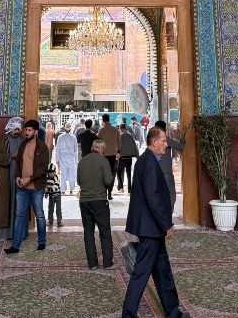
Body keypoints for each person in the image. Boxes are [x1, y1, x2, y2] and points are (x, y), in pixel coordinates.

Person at [121, 127, 187, 318]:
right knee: (141, 273)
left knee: (163, 271)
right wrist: (166, 223)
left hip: (151, 227)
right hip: (151, 228)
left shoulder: (146, 160)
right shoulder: (149, 162)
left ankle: (173, 311)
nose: (166, 145)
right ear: (154, 142)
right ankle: (128, 314)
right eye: (164, 141)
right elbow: (152, 197)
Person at [5, 119, 49, 254]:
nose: (27, 132)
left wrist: (29, 179)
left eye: (29, 130)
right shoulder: (23, 144)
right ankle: (15, 245)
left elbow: (43, 168)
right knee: (19, 215)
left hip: (36, 188)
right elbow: (18, 163)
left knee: (40, 215)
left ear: (35, 132)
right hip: (22, 188)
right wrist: (18, 177)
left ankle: (41, 242)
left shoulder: (42, 147)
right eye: (26, 130)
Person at [77, 139, 114, 269]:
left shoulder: (82, 161)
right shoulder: (103, 161)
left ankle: (92, 264)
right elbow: (108, 181)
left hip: (85, 201)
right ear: (101, 150)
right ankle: (108, 263)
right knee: (104, 231)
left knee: (88, 232)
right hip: (99, 201)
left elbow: (79, 181)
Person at [0, 116, 22, 241]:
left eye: (18, 129)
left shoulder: (22, 140)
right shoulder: (3, 140)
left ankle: (18, 233)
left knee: (18, 204)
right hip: (5, 176)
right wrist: (10, 156)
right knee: (5, 204)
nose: (17, 131)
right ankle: (4, 234)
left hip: (19, 176)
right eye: (15, 129)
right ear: (10, 128)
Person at [155, 119, 187, 210]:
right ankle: (167, 216)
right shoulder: (165, 140)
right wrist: (183, 134)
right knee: (171, 194)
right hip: (166, 172)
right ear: (164, 129)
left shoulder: (152, 140)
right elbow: (181, 146)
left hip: (156, 172)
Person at [97, 112, 120, 199]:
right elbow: (119, 143)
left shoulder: (101, 130)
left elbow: (98, 142)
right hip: (113, 155)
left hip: (104, 155)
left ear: (103, 120)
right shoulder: (115, 129)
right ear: (109, 120)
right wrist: (118, 151)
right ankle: (109, 193)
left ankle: (104, 193)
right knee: (111, 174)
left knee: (103, 174)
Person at [55, 121, 80, 194]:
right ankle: (71, 190)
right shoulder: (73, 137)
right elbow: (76, 150)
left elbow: (58, 149)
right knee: (72, 174)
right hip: (71, 158)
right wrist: (76, 160)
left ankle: (63, 190)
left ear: (65, 129)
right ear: (70, 129)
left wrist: (57, 159)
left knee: (63, 175)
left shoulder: (60, 137)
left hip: (63, 158)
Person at [117, 123, 139, 193]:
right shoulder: (130, 135)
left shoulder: (120, 136)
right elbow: (134, 146)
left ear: (121, 129)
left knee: (119, 172)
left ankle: (121, 188)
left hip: (122, 158)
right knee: (129, 173)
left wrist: (117, 152)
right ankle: (130, 190)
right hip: (129, 158)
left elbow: (117, 146)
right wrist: (136, 155)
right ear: (125, 128)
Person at [45, 161, 62, 228]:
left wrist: (48, 190)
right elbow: (46, 186)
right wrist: (46, 193)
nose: (51, 174)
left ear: (54, 172)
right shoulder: (47, 179)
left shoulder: (56, 178)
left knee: (58, 209)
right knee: (50, 209)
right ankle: (50, 221)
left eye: (52, 172)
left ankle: (59, 221)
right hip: (51, 196)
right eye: (49, 172)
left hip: (57, 196)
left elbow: (55, 187)